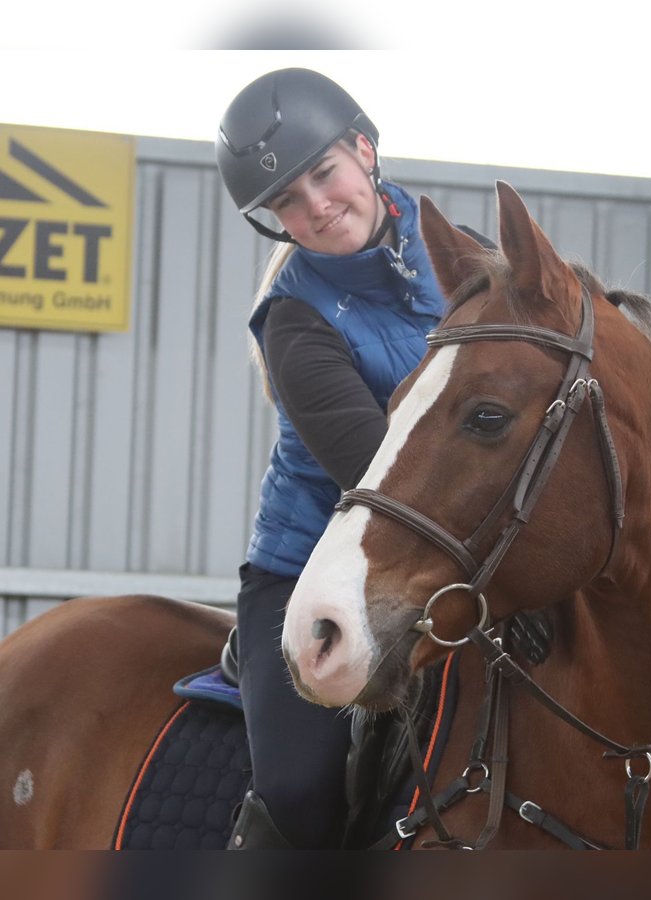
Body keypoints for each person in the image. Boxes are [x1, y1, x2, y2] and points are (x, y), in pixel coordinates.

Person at [214, 68, 450, 849]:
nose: (315, 206)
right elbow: (384, 478)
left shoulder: (469, 261)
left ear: (364, 149)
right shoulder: (293, 322)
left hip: (466, 554)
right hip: (316, 566)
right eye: (287, 201)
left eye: (324, 174)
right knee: (303, 791)